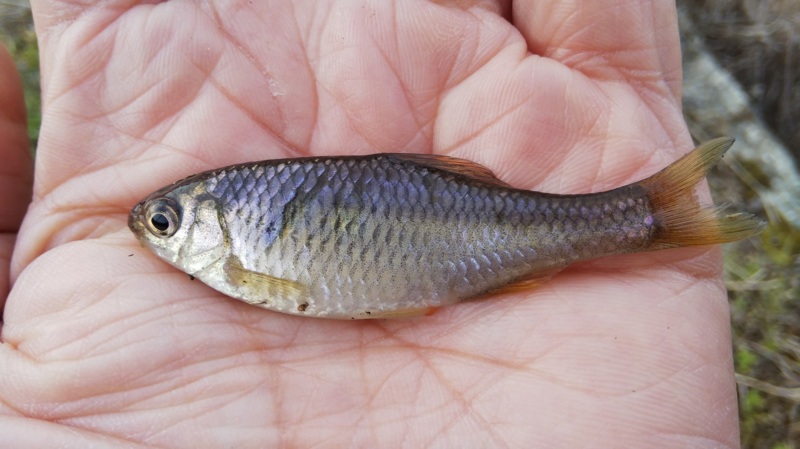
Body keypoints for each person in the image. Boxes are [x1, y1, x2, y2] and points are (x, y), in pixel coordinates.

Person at [0, 1, 740, 447]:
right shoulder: (238, 231)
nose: (154, 230)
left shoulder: (239, 248)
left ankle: (644, 214)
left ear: (211, 223)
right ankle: (646, 215)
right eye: (163, 222)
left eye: (164, 222)